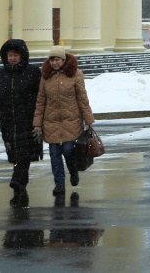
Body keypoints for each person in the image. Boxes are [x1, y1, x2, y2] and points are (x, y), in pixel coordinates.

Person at [0, 38, 43, 206]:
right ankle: (21, 180)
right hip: (8, 121)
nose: (12, 58)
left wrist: (40, 118)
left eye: (15, 55)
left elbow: (41, 97)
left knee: (24, 152)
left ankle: (17, 180)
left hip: (27, 120)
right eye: (10, 55)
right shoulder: (1, 73)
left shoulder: (33, 72)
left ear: (22, 56)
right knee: (14, 153)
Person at [33, 45, 95, 196]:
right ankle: (59, 184)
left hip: (71, 120)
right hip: (51, 121)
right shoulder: (45, 77)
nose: (54, 63)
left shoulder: (76, 74)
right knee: (54, 154)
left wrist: (88, 119)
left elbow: (82, 98)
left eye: (57, 59)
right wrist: (37, 123)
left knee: (68, 151)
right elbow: (41, 101)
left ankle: (73, 171)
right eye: (52, 60)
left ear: (63, 60)